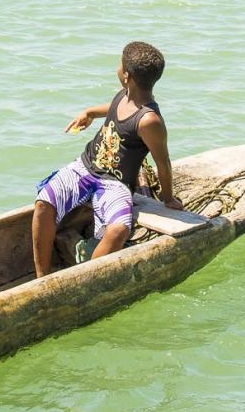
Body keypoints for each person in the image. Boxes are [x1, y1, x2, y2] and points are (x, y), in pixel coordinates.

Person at [32, 42, 183, 278]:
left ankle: (82, 280)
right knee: (44, 202)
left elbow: (163, 162)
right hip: (86, 167)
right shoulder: (124, 96)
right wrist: (90, 112)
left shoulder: (149, 121)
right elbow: (112, 107)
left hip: (115, 184)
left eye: (119, 65)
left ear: (126, 76)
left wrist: (168, 197)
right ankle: (41, 278)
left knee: (118, 230)